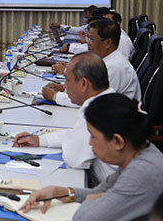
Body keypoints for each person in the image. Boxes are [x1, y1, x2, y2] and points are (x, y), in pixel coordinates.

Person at [20, 93, 163, 221]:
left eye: (93, 136)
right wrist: (62, 192)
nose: (89, 142)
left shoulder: (142, 172)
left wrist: (93, 199)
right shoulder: (139, 152)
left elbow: (84, 218)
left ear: (118, 142)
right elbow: (100, 192)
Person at [14, 52, 116, 184]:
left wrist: (63, 143)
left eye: (67, 80)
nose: (65, 87)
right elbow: (76, 135)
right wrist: (40, 140)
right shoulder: (107, 99)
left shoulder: (96, 109)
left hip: (111, 189)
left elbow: (74, 158)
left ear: (84, 83)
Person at [43, 19, 140, 105]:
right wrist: (63, 87)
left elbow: (94, 101)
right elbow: (89, 87)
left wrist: (56, 97)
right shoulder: (105, 60)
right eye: (88, 38)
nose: (88, 43)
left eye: (92, 39)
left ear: (108, 43)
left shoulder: (115, 67)